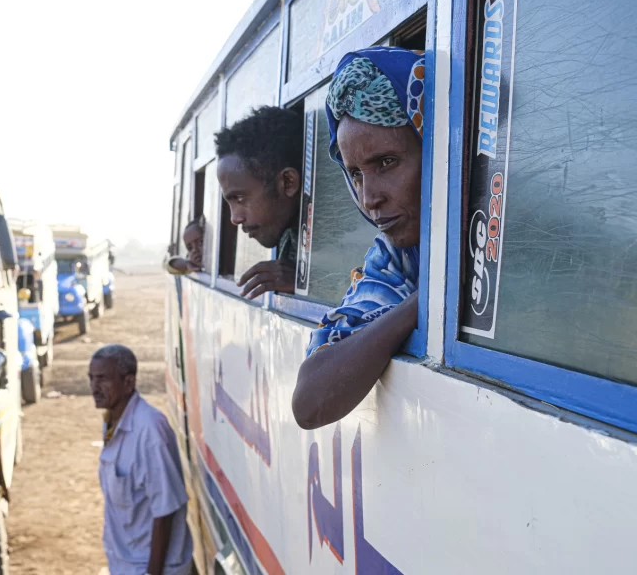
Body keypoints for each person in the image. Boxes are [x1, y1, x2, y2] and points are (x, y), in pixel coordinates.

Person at [292, 47, 425, 430]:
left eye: (386, 163)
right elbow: (311, 403)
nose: (369, 198)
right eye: (355, 174)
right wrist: (426, 301)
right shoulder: (397, 260)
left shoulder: (515, 230)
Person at [89, 344, 194, 575]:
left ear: (128, 383)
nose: (94, 387)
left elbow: (165, 511)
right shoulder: (112, 420)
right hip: (125, 563)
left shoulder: (150, 430)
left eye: (103, 379)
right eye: (91, 378)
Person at [215, 106, 302, 300]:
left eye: (240, 198)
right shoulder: (290, 237)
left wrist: (311, 285)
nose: (235, 218)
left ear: (288, 182)